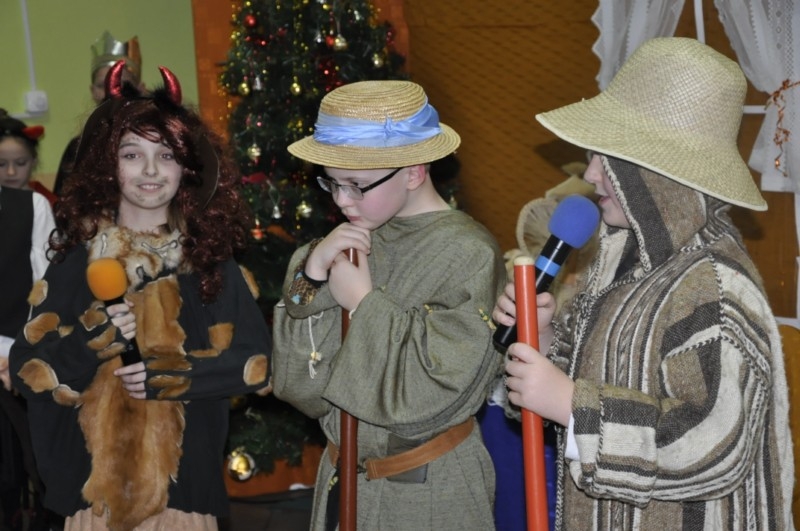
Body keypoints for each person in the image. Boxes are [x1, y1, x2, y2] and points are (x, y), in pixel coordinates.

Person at [493, 37, 794, 530]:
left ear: (659, 176)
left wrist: (572, 406)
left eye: (609, 158)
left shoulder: (714, 284)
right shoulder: (623, 262)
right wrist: (542, 344)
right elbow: (596, 377)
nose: (591, 173)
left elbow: (714, 444)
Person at [10, 61, 272, 530]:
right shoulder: (77, 262)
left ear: (185, 167)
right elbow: (28, 372)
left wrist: (173, 376)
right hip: (93, 502)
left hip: (184, 497)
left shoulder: (208, 263)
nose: (150, 170)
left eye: (166, 154)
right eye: (132, 154)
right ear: (109, 166)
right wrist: (91, 341)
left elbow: (257, 363)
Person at [272, 80, 506, 530]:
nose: (342, 201)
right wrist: (312, 276)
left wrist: (363, 303)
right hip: (342, 481)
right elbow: (299, 387)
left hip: (428, 492)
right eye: (331, 183)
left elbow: (429, 397)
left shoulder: (468, 253)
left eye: (356, 185)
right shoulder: (346, 241)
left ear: (414, 172)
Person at [0, 111, 56, 531]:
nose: (10, 172)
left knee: (30, 447)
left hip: (18, 341)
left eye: (19, 163)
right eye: (2, 164)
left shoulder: (34, 206)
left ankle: (41, 513)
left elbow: (45, 275)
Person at [53, 31, 145, 196]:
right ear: (93, 91)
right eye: (103, 85)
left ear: (140, 89)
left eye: (122, 84)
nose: (112, 91)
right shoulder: (79, 147)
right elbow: (63, 202)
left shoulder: (156, 141)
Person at [0, 110, 57, 205]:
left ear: (33, 161)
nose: (11, 172)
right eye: (1, 164)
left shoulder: (41, 201)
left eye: (21, 163)